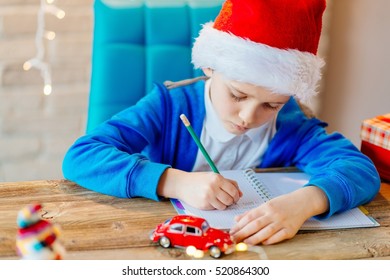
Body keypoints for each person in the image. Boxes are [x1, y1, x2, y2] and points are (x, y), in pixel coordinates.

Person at [62, 0, 380, 245]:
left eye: (270, 104)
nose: (248, 117)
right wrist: (175, 182)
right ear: (212, 67)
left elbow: (360, 169)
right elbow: (81, 156)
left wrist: (306, 202)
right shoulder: (167, 106)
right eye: (238, 95)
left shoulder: (291, 124)